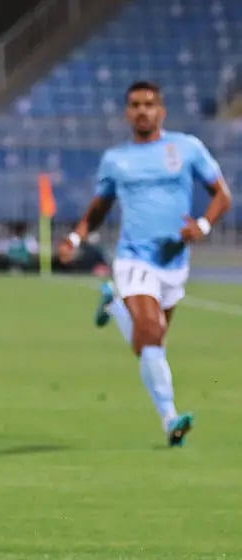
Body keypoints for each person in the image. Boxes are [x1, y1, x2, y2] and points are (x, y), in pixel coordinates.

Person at [58, 81, 231, 447]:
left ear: (161, 110)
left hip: (174, 263)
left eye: (149, 104)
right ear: (126, 112)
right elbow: (99, 208)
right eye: (135, 104)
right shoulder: (116, 160)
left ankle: (113, 305)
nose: (142, 110)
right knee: (150, 334)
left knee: (148, 345)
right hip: (134, 258)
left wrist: (201, 225)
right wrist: (75, 237)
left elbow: (222, 195)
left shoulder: (186, 148)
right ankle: (170, 419)